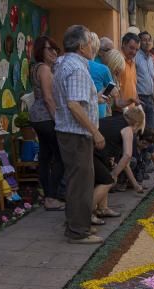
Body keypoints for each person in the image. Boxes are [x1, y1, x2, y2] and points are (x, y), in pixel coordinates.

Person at [54, 24, 104, 244]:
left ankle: (78, 224)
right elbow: (74, 105)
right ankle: (77, 231)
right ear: (82, 46)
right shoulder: (76, 68)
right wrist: (95, 132)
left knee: (78, 181)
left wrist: (96, 99)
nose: (93, 47)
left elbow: (76, 100)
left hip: (70, 132)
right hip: (77, 134)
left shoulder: (65, 63)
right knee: (81, 184)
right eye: (90, 42)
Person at [29, 36, 65, 211]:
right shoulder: (43, 68)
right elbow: (48, 97)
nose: (54, 52)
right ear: (40, 51)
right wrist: (57, 120)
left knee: (45, 156)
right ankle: (51, 197)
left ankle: (46, 194)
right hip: (45, 117)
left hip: (37, 117)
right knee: (59, 156)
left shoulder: (37, 68)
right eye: (49, 49)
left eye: (55, 49)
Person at [94, 105, 145, 214]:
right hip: (93, 153)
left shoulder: (116, 119)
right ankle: (86, 213)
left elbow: (124, 162)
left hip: (94, 150)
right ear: (136, 123)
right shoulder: (128, 129)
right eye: (138, 128)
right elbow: (127, 155)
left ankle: (103, 208)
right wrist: (115, 174)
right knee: (108, 180)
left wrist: (135, 184)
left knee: (105, 176)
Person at [133, 32, 154, 132]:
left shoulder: (150, 59)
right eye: (144, 40)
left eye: (149, 40)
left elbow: (151, 80)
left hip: (150, 98)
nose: (147, 42)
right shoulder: (135, 57)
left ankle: (149, 148)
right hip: (140, 98)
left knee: (150, 129)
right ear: (139, 42)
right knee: (140, 129)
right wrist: (136, 98)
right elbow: (133, 79)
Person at [87, 32, 114, 118]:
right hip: (98, 113)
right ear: (99, 51)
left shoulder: (81, 64)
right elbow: (113, 91)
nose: (112, 53)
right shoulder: (103, 68)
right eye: (110, 50)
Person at [117, 33, 139, 108]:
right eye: (131, 48)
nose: (134, 52)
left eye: (136, 49)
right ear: (123, 45)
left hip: (131, 109)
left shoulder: (132, 63)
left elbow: (134, 85)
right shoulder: (117, 62)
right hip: (120, 110)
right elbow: (116, 87)